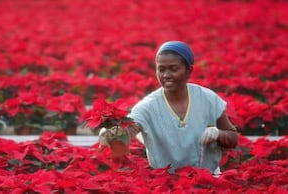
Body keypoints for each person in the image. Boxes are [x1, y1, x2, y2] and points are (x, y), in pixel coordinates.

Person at [99, 41, 238, 174]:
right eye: (161, 69)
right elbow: (128, 131)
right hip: (165, 182)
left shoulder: (208, 99)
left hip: (208, 180)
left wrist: (218, 134)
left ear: (189, 71)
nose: (166, 75)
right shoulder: (147, 107)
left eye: (173, 69)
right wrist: (111, 134)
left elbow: (233, 138)